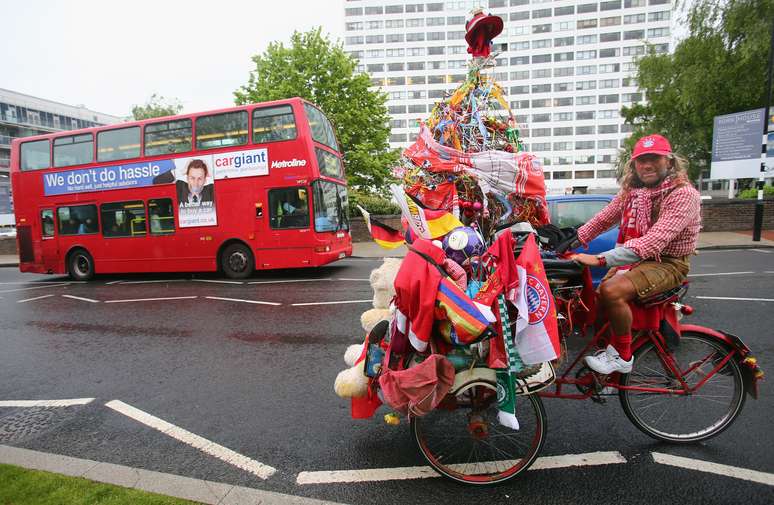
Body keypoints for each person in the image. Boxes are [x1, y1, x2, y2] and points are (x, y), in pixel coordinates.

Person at [570, 134, 701, 374]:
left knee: (611, 291)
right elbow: (603, 219)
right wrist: (569, 242)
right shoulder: (633, 193)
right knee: (596, 304)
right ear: (634, 165)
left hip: (668, 263)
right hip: (641, 262)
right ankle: (605, 369)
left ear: (669, 162)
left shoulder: (683, 194)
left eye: (654, 158)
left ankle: (622, 356)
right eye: (641, 160)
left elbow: (653, 242)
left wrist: (600, 259)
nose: (647, 165)